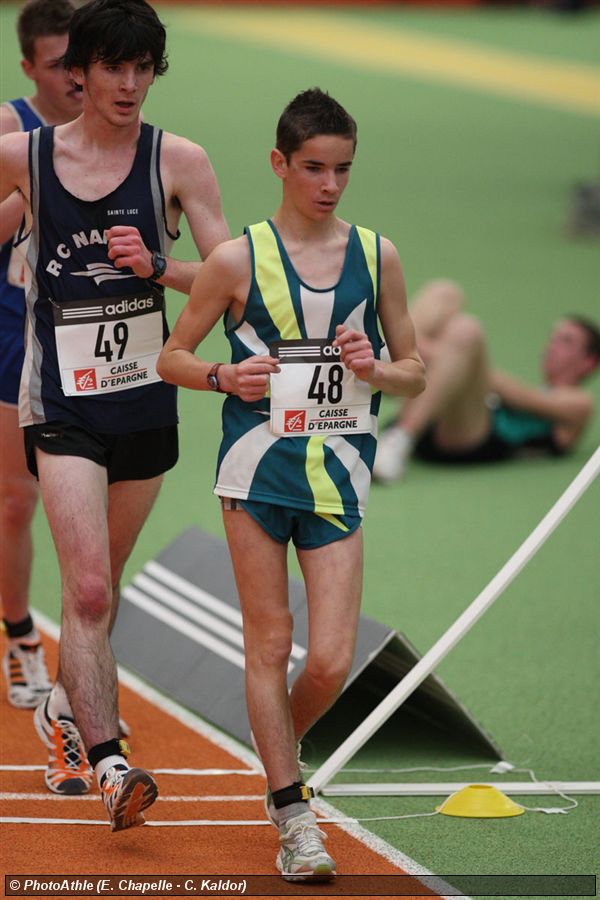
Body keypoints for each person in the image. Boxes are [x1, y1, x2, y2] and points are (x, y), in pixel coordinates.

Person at [157, 88, 425, 879]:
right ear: (280, 163)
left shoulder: (379, 257)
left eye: (343, 168)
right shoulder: (237, 259)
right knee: (269, 643)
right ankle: (292, 811)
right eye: (314, 167)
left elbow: (415, 370)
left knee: (331, 663)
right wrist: (221, 375)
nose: (330, 184)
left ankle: (276, 744)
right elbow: (172, 356)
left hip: (339, 476)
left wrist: (378, 368)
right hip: (256, 475)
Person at [0, 0, 229, 830]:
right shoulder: (21, 154)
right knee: (89, 588)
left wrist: (158, 266)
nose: (130, 85)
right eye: (113, 68)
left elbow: (230, 276)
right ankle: (110, 765)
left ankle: (64, 713)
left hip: (143, 401)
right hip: (58, 402)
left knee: (102, 594)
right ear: (78, 74)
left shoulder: (180, 160)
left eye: (144, 69)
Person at [1, 0, 82, 712]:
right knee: (17, 499)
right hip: (11, 330)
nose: (76, 78)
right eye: (59, 66)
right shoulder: (11, 132)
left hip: (83, 336)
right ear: (29, 67)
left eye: (80, 60)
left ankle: (82, 639)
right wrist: (37, 190)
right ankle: (21, 632)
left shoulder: (113, 134)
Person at [373, 279, 600, 483]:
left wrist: (448, 359)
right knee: (445, 292)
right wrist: (449, 358)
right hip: (437, 419)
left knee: (467, 331)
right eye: (554, 337)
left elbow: (526, 400)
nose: (552, 345)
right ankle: (393, 357)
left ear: (589, 362)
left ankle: (399, 437)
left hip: (471, 440)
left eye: (566, 341)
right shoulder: (541, 388)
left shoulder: (580, 403)